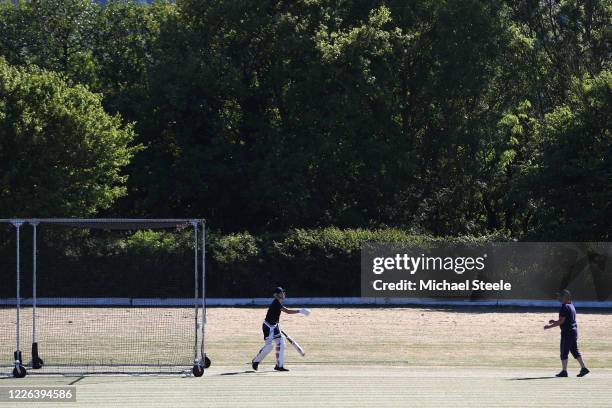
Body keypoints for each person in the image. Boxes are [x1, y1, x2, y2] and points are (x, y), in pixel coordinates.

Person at [251, 287, 309, 372]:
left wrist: (277, 325)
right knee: (269, 347)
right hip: (267, 326)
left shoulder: (278, 302)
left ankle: (279, 366)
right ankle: (255, 361)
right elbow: (287, 311)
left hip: (275, 326)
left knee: (281, 344)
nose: (283, 294)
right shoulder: (276, 303)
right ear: (277, 295)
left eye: (283, 292)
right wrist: (300, 311)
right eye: (281, 293)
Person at [544, 289, 589, 377]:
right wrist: (554, 321)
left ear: (565, 298)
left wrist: (549, 327)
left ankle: (564, 371)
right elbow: (565, 320)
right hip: (574, 332)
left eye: (560, 297)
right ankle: (584, 368)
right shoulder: (571, 306)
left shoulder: (564, 307)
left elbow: (561, 322)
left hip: (567, 333)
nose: (559, 298)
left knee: (564, 352)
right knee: (575, 351)